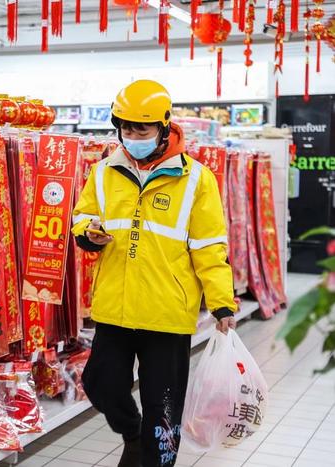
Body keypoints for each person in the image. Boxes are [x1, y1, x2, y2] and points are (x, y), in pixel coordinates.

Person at [71, 79, 237, 467]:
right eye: (125, 128)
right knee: (100, 384)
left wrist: (222, 304)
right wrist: (88, 233)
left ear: (163, 127)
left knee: (163, 409)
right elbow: (82, 216)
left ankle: (151, 457)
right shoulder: (103, 172)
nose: (132, 136)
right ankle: (132, 432)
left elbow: (209, 246)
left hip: (167, 313)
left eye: (141, 129)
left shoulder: (197, 179)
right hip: (115, 306)